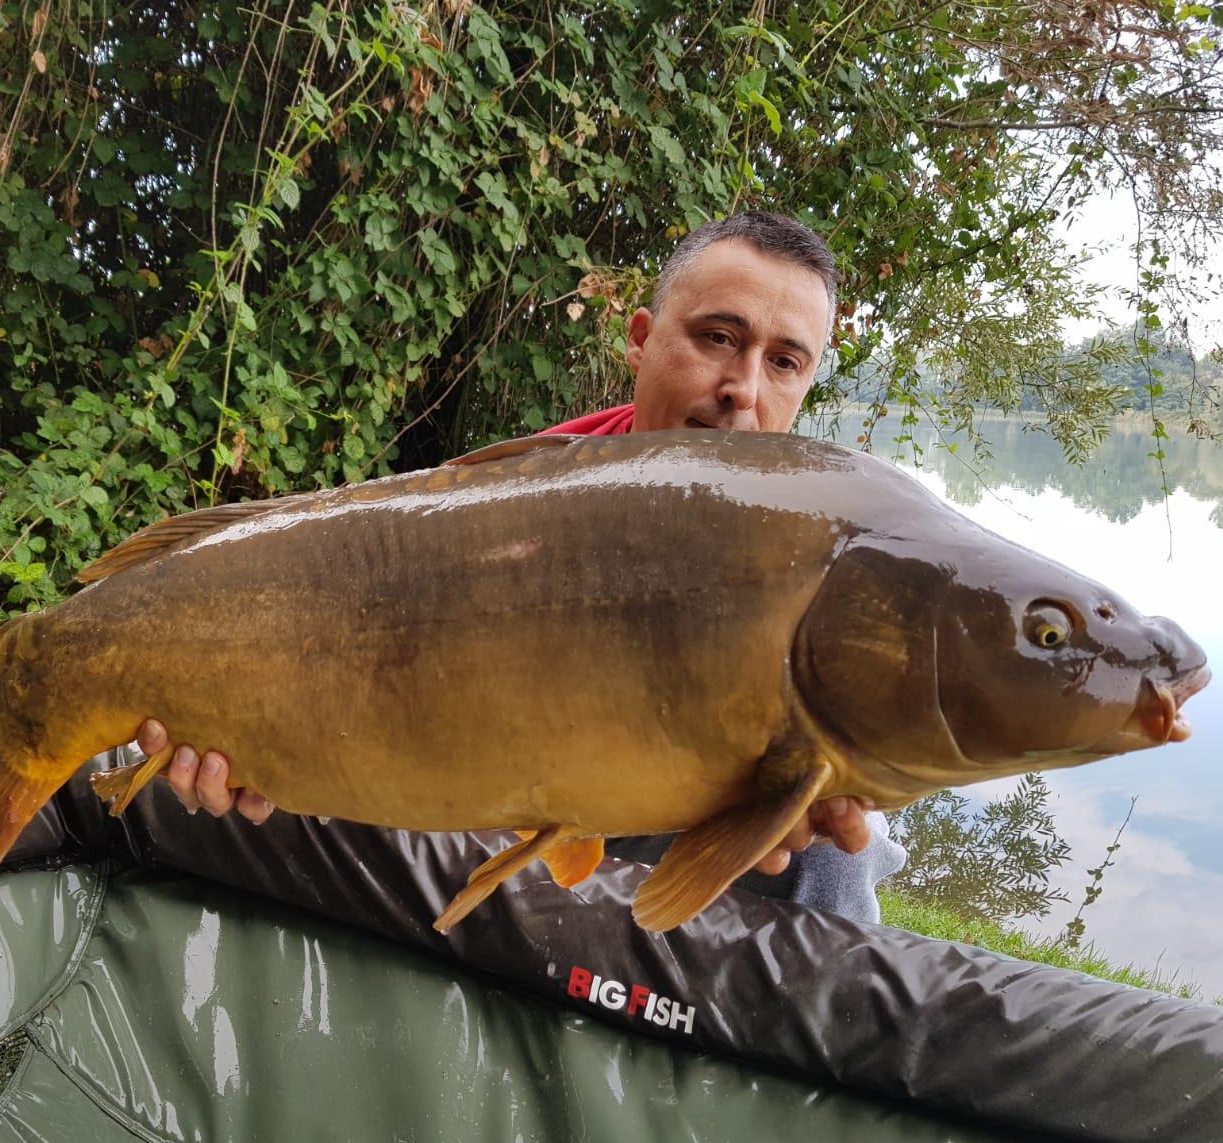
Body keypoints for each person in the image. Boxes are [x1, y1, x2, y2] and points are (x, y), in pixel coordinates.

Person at [135, 211, 905, 922]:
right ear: (638, 339)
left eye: (784, 362)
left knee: (837, 860)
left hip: (668, 804)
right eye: (717, 338)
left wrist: (819, 781)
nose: (743, 389)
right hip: (492, 786)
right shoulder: (509, 512)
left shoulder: (813, 546)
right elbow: (389, 717)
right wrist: (267, 755)